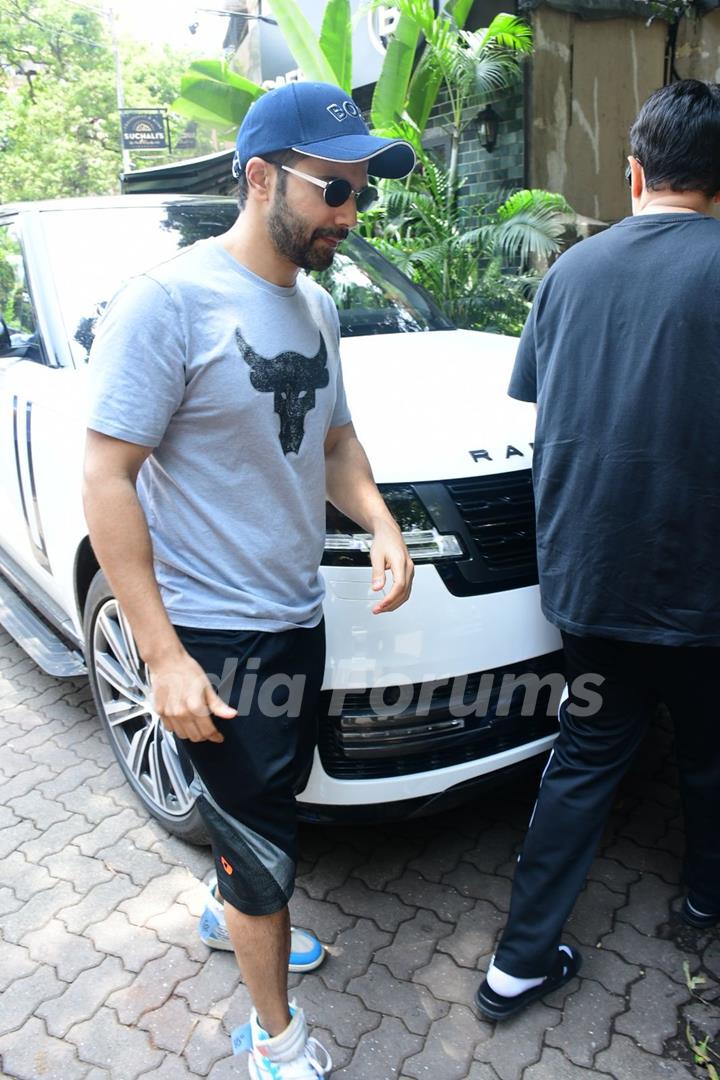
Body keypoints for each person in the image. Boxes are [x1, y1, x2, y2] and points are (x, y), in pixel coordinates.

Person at [83, 81, 416, 1077]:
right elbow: (107, 477)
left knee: (265, 803)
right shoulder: (166, 303)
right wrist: (162, 656)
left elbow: (337, 441)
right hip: (213, 634)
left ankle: (232, 906)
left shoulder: (313, 304)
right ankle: (277, 1038)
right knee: (265, 844)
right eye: (335, 191)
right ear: (262, 177)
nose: (351, 217)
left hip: (295, 614)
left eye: (361, 194)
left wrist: (383, 522)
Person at [474, 78, 720, 1022]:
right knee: (707, 751)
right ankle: (704, 895)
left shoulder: (569, 274)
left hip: (589, 577)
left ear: (633, 174)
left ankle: (515, 965)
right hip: (703, 587)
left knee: (584, 756)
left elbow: (544, 403)